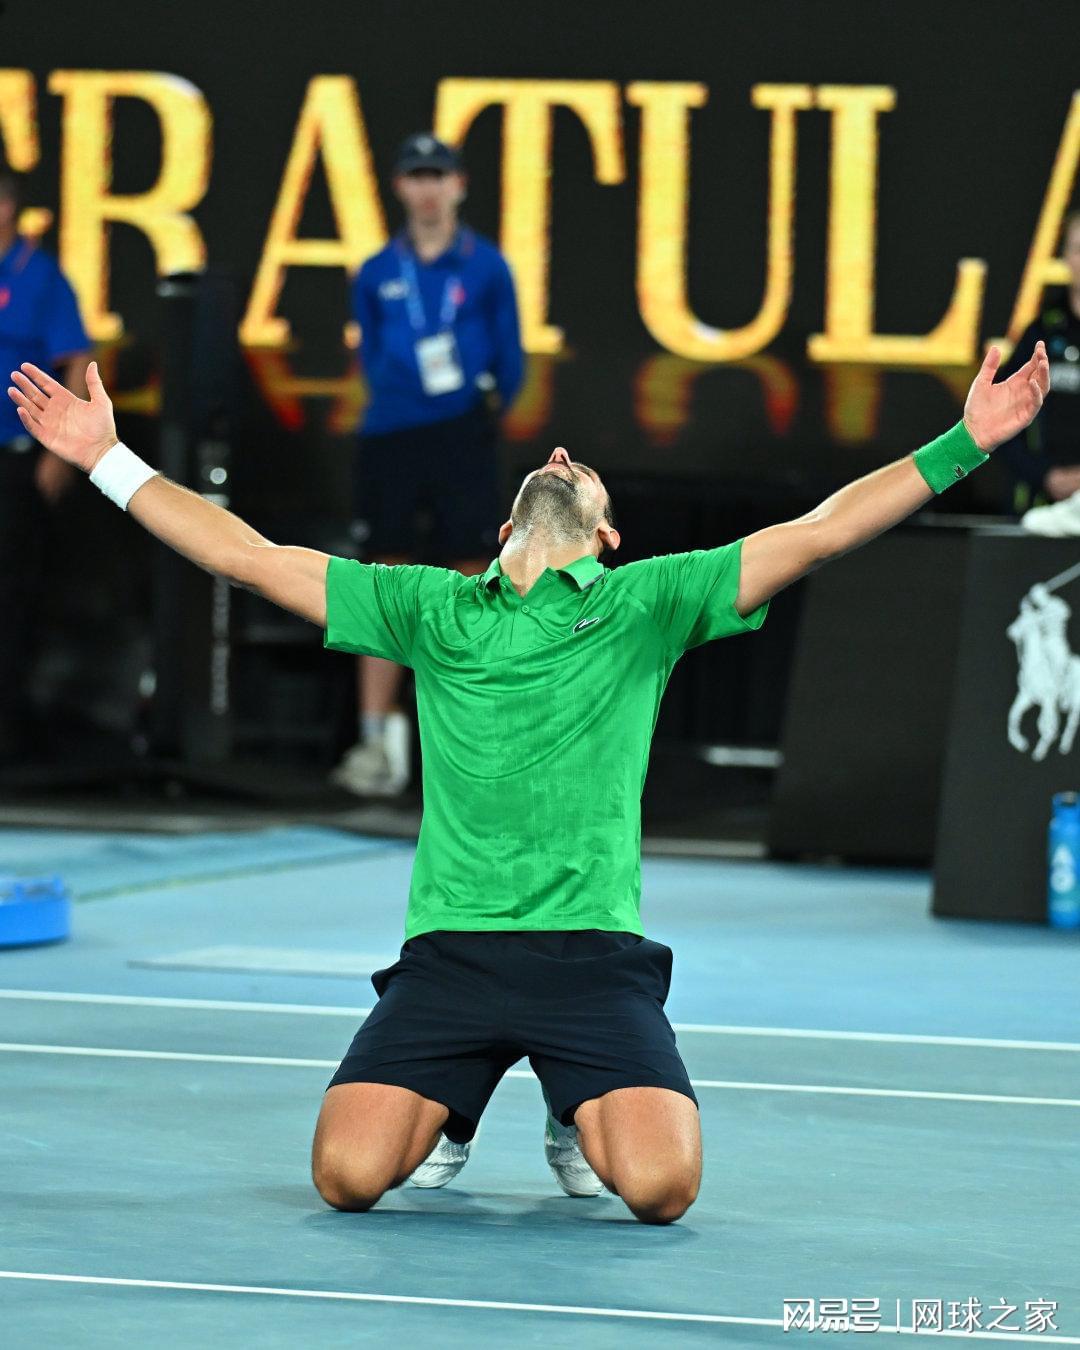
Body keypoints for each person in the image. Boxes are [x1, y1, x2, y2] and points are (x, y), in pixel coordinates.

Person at [6, 337, 1049, 1224]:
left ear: (605, 536)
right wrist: (106, 460)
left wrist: (967, 443)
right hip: (450, 957)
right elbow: (249, 557)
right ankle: (455, 1106)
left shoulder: (649, 603)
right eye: (548, 460)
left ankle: (568, 1101)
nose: (558, 455)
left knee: (662, 1189)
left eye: (578, 466)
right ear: (505, 531)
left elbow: (819, 533)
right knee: (346, 1177)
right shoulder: (430, 608)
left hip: (591, 960)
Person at [334, 132, 524, 798]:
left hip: (461, 433)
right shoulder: (377, 271)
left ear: (458, 185)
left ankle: (469, 735)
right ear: (399, 187)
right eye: (416, 175)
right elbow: (372, 354)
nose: (427, 189)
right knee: (384, 576)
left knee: (471, 572)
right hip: (391, 434)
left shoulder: (487, 267)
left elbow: (511, 357)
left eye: (437, 175)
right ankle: (375, 741)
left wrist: (478, 413)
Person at [0, 167, 91, 761]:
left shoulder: (41, 276)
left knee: (12, 593)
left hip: (14, 458)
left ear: (8, 206)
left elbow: (76, 357)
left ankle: (9, 730)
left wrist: (62, 449)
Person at [996, 209, 1080, 531]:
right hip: (1037, 512)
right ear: (1065, 258)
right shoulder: (1041, 332)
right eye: (1078, 249)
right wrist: (1046, 475)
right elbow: (1000, 419)